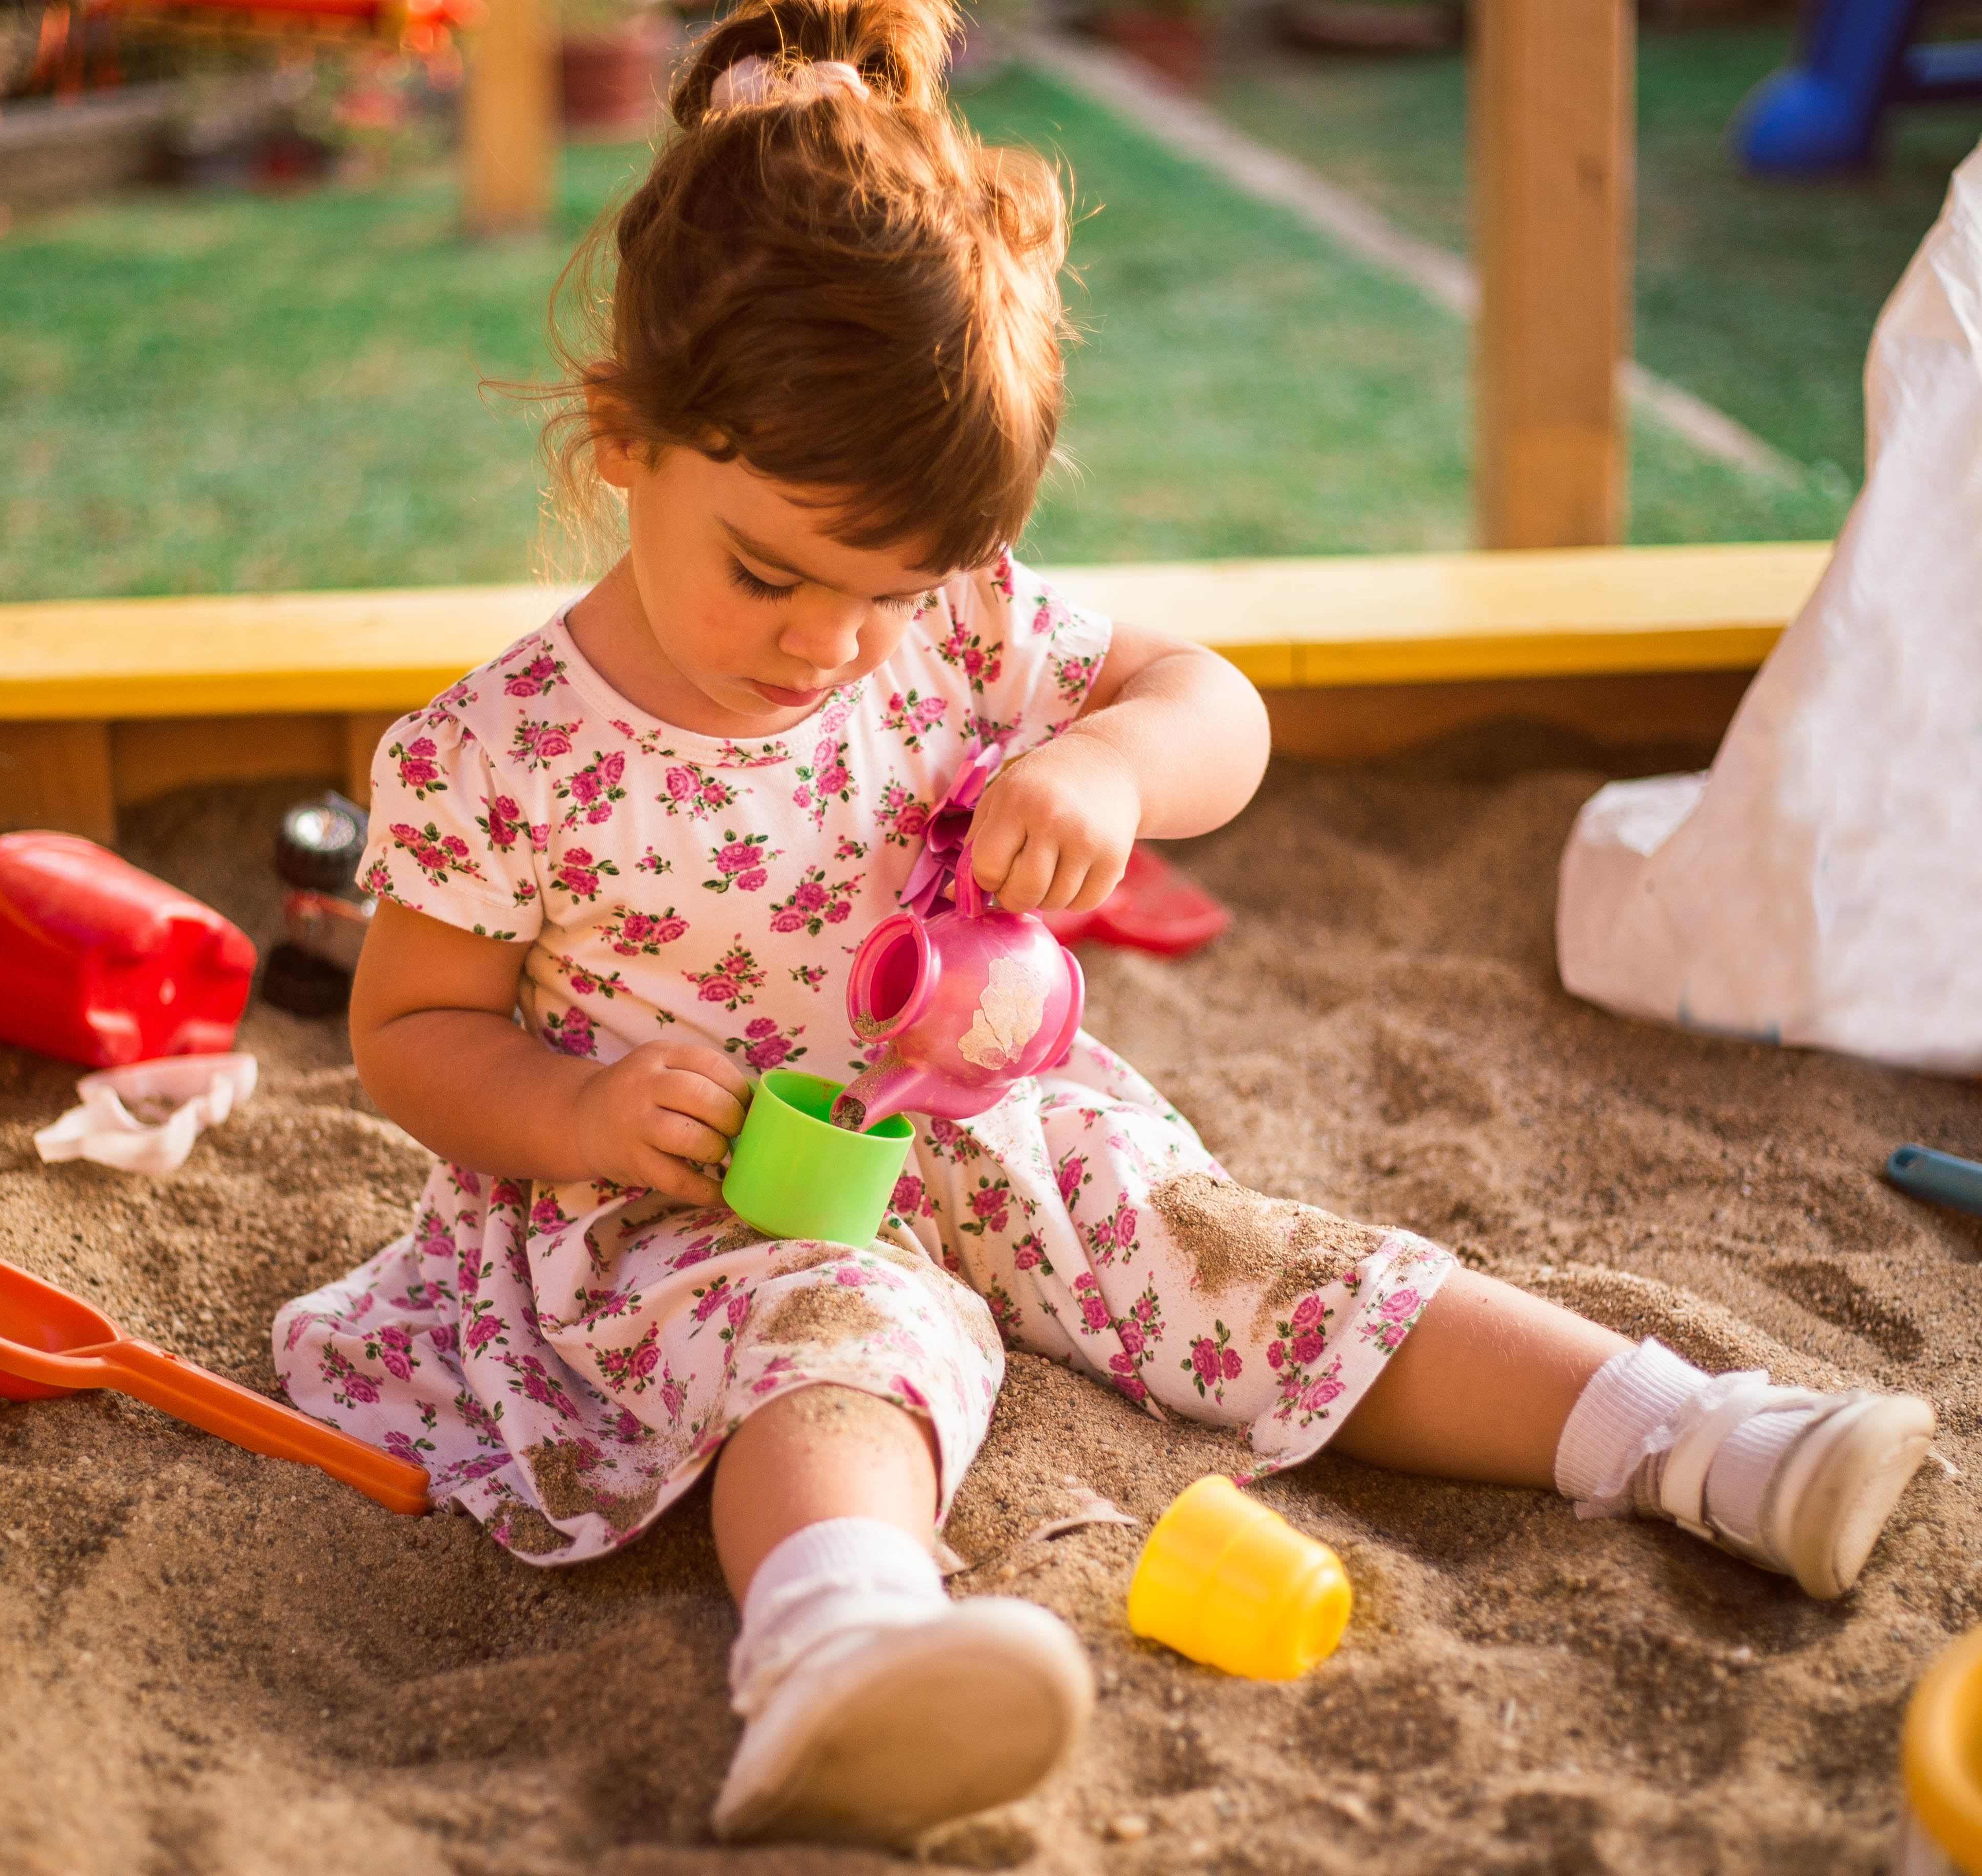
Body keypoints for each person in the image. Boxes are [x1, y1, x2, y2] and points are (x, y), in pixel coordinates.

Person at [272, 0, 1938, 1845]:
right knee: (839, 1338)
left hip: (983, 1121)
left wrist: (1120, 771)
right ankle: (841, 1645)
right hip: (683, 1204)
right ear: (625, 441)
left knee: (1236, 1250)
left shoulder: (968, 620)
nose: (831, 641)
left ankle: (1698, 1437)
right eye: (770, 573)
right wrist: (578, 1118)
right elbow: (411, 1035)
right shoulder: (500, 754)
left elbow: (1214, 701)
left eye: (889, 593)